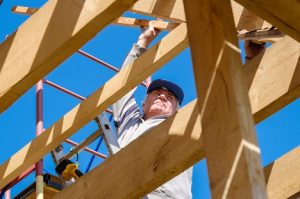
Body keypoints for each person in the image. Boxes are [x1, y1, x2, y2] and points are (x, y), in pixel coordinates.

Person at [112, 23, 193, 199]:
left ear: (176, 111)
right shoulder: (131, 125)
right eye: (157, 93)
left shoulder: (182, 126)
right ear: (143, 104)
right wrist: (143, 42)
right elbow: (121, 89)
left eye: (170, 97)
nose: (163, 97)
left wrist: (252, 61)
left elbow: (224, 111)